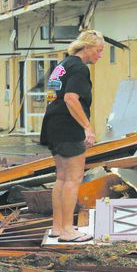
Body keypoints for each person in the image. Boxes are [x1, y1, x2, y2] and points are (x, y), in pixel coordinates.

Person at [39, 30, 105, 242]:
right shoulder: (79, 68)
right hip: (68, 127)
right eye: (99, 50)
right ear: (86, 48)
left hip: (53, 125)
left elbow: (54, 96)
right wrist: (87, 127)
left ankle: (57, 227)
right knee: (73, 179)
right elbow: (70, 98)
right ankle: (68, 230)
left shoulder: (63, 65)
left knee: (61, 178)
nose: (100, 55)